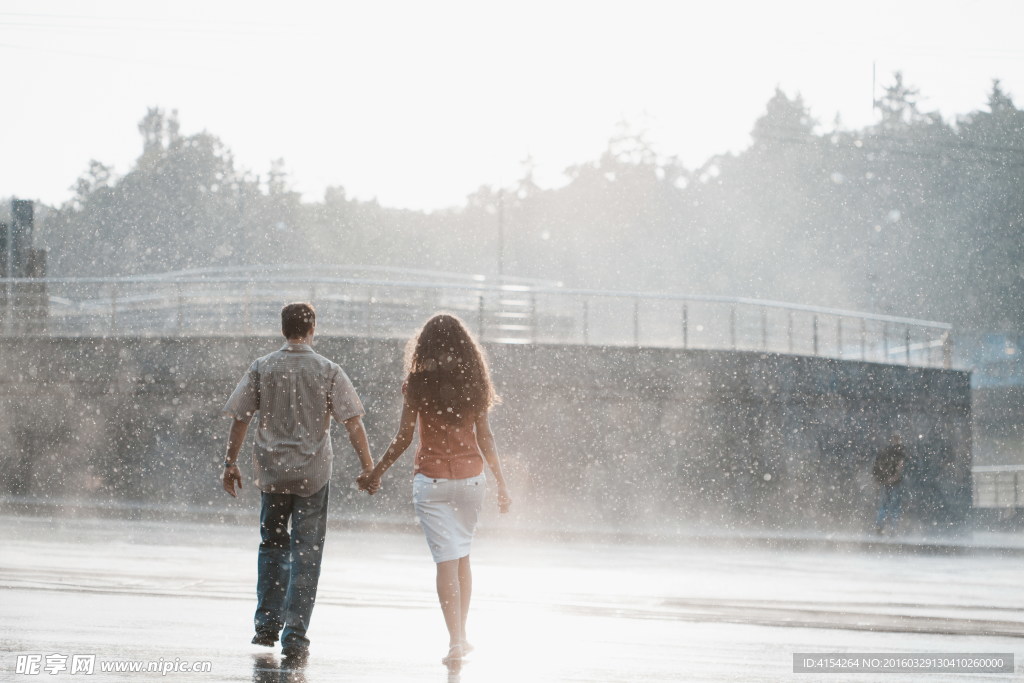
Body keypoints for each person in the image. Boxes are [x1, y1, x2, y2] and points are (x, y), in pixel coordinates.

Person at [358, 313, 512, 667]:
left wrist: (375, 473)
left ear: (425, 345)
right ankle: (462, 635)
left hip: (432, 481)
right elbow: (485, 437)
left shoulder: (417, 384)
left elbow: (403, 437)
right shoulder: (474, 381)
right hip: (472, 479)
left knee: (446, 559)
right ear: (464, 345)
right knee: (462, 556)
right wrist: (502, 482)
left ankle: (456, 640)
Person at [222, 302, 373, 660]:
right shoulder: (329, 371)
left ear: (282, 329)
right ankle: (295, 634)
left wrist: (230, 462)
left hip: (272, 472)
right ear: (312, 329)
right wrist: (368, 466)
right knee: (307, 553)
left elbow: (240, 416)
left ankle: (266, 625)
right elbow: (352, 421)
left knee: (272, 544)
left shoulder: (262, 367)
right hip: (312, 473)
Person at [872, 433, 907, 535]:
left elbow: (877, 465)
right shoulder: (899, 452)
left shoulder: (885, 451)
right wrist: (894, 477)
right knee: (895, 506)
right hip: (894, 481)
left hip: (884, 481)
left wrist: (881, 479)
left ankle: (879, 527)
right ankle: (893, 529)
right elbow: (900, 467)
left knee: (884, 505)